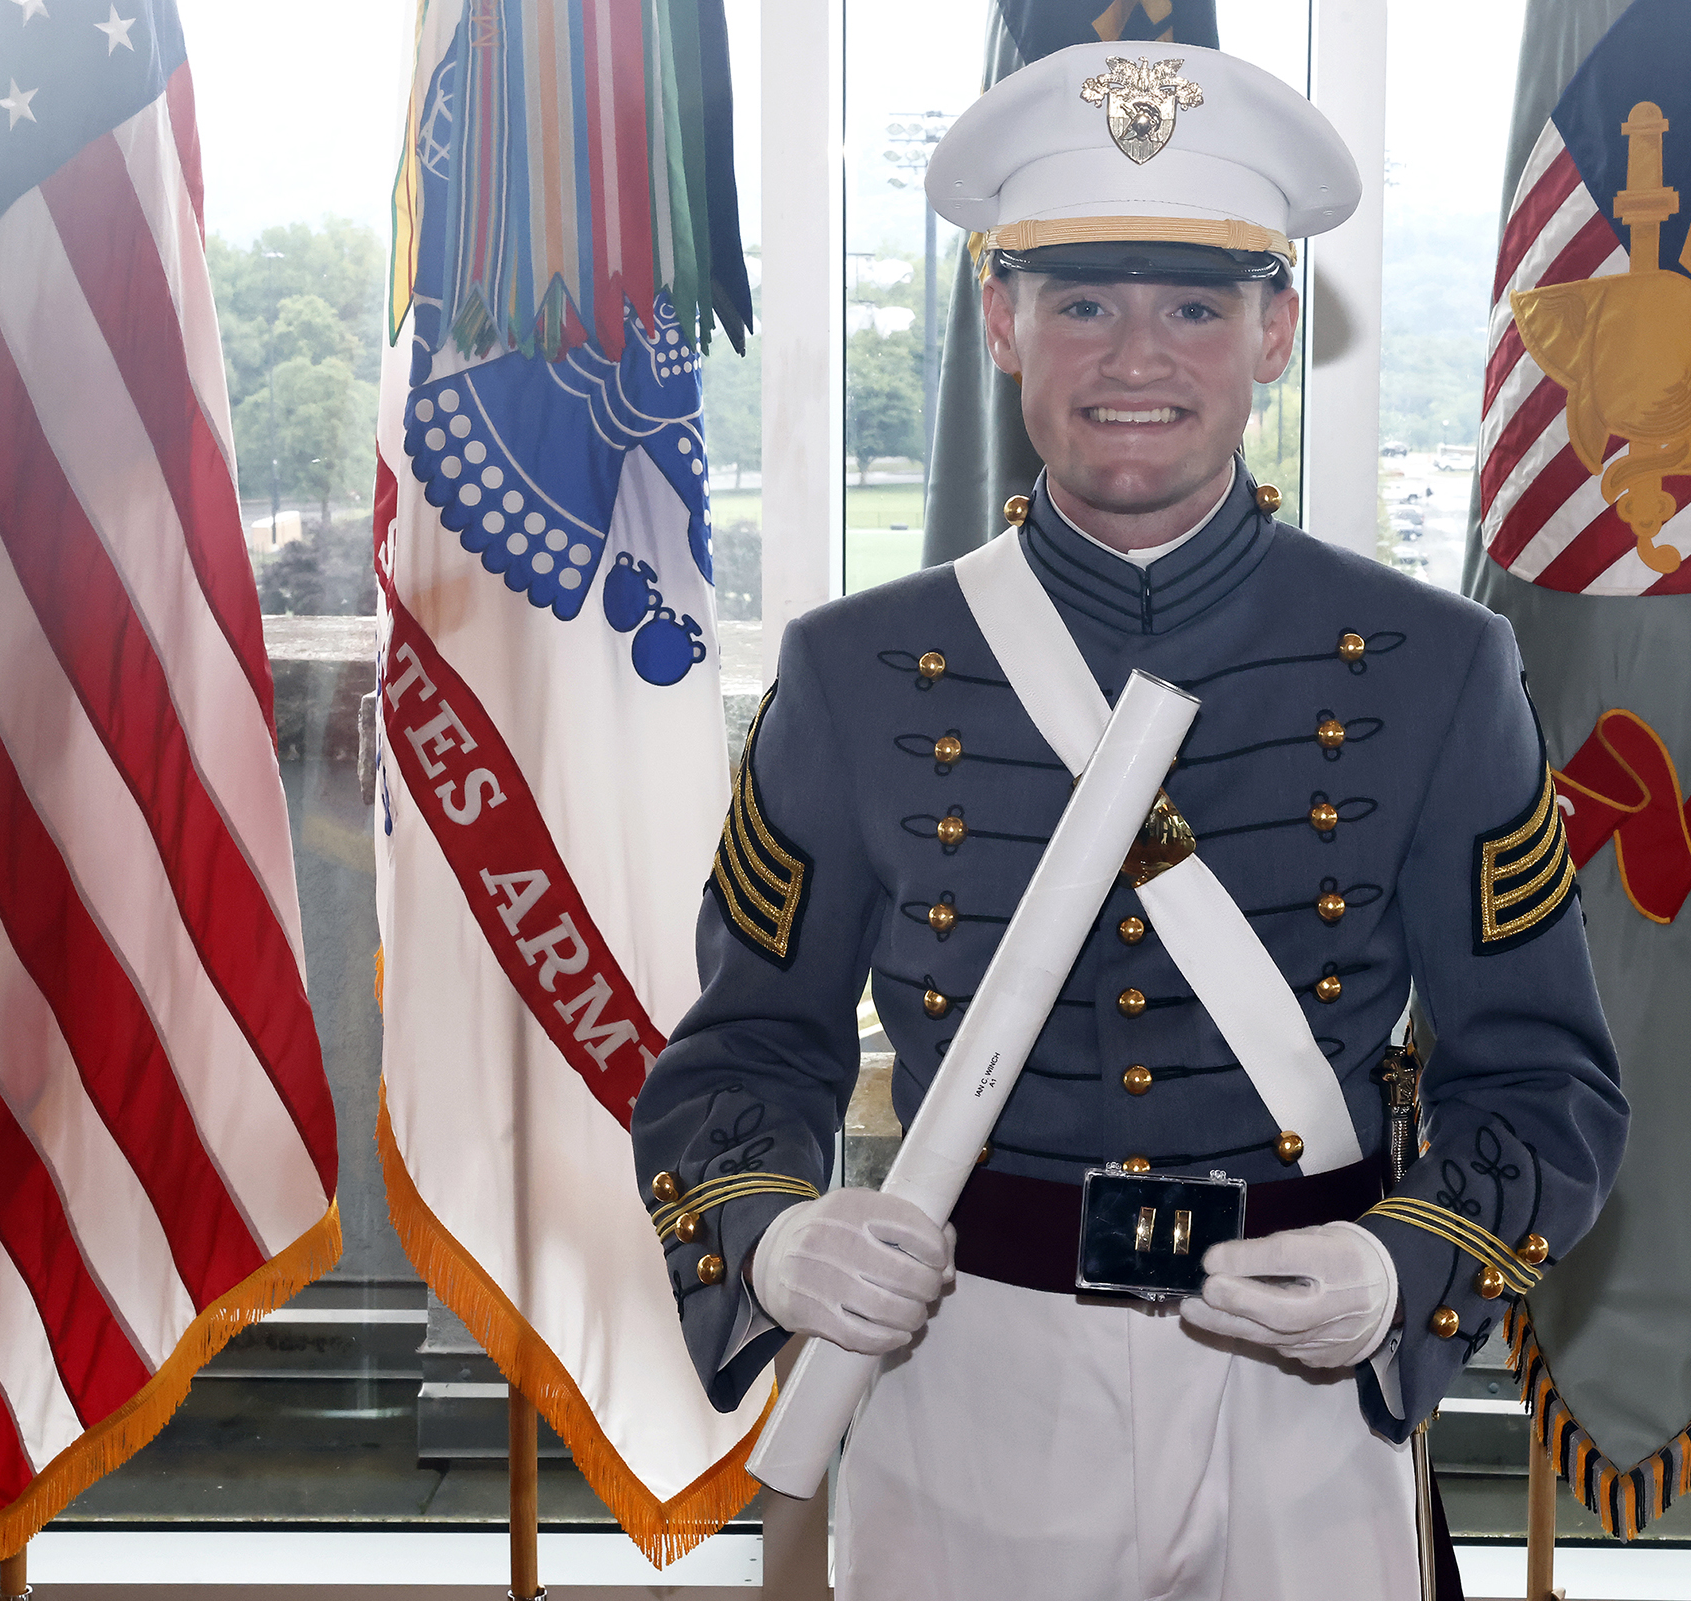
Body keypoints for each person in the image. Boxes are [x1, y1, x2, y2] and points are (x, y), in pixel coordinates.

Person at [632, 41, 1628, 1601]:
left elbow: (1546, 1081)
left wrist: (1398, 1267)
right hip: (968, 1371)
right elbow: (745, 1054)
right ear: (1002, 319)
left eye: (1195, 301)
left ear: (1277, 330)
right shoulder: (852, 669)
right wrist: (770, 1238)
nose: (1134, 355)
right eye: (1084, 299)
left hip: (1308, 1378)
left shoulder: (1443, 667)